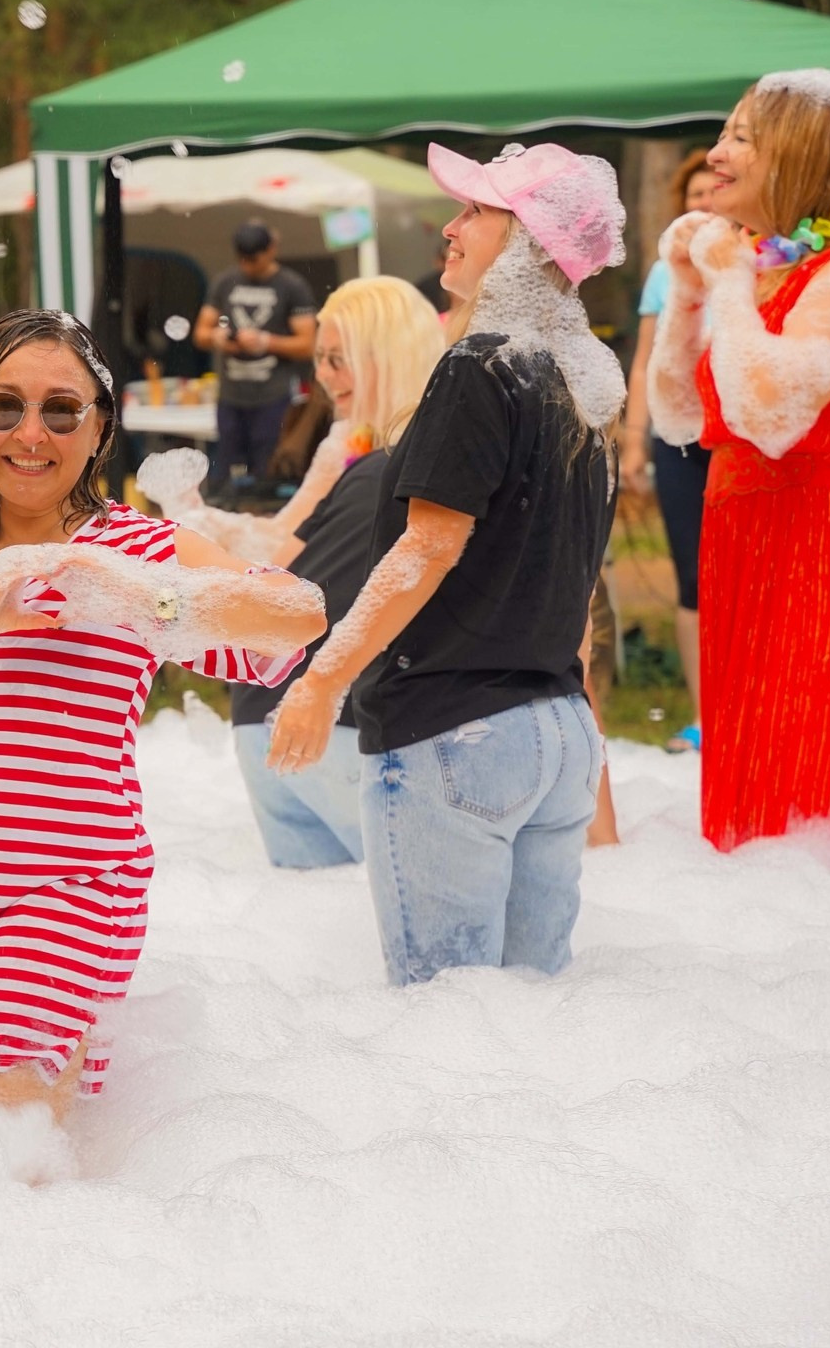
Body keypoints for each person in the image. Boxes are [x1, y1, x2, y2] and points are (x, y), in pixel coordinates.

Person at [0, 309, 324, 1117]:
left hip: (76, 890)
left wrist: (134, 595)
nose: (30, 433)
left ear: (101, 426)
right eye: (3, 406)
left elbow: (297, 614)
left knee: (2, 1118)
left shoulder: (139, 551)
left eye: (61, 409)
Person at [268, 142, 627, 987]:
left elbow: (426, 548)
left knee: (446, 1032)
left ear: (530, 241)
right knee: (532, 1019)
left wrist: (321, 682)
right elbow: (573, 590)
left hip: (454, 735)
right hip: (557, 740)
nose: (452, 226)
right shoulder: (584, 386)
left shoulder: (480, 364)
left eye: (476, 211)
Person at [644, 70, 830, 851]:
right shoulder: (768, 266)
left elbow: (768, 417)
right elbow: (680, 414)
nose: (717, 152)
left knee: (817, 790)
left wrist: (728, 281)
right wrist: (689, 289)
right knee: (755, 784)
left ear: (793, 154)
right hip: (751, 544)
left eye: (740, 136)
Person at [224, 276, 444, 869]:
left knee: (319, 936)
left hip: (260, 711)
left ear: (385, 358)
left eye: (338, 359)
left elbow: (269, 562)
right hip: (345, 722)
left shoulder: (363, 457)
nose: (324, 375)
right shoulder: (431, 461)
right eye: (320, 358)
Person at [620, 151, 720, 753]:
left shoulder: (764, 260)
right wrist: (635, 439)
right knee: (694, 579)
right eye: (694, 195)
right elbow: (646, 363)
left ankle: (759, 706)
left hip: (749, 442)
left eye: (715, 192)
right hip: (679, 440)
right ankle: (707, 717)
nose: (705, 204)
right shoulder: (665, 271)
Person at [193, 221, 318, 500]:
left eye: (255, 259)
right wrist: (217, 338)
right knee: (225, 474)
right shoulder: (225, 282)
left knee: (268, 473)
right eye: (243, 260)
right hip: (231, 396)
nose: (249, 266)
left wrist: (267, 342)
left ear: (271, 249)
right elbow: (200, 332)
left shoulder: (292, 286)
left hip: (273, 397)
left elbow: (309, 344)